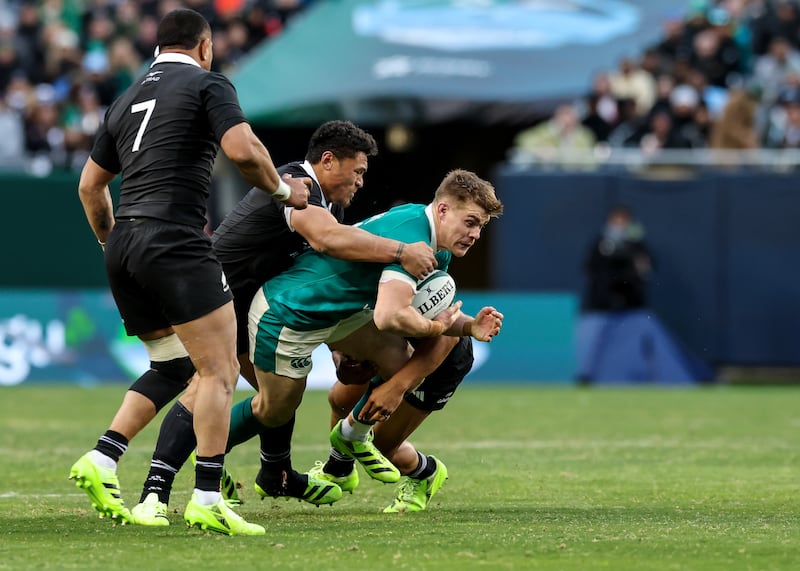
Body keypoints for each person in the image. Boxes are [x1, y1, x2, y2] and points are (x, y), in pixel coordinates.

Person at [70, 8, 312, 536]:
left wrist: (113, 243)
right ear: (204, 46)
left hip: (125, 242)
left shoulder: (125, 98)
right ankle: (206, 494)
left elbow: (90, 187)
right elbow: (244, 150)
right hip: (175, 240)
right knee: (220, 371)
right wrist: (283, 191)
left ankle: (103, 458)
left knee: (173, 366)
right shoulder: (208, 83)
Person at [128, 120, 439, 525]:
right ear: (327, 161)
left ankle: (275, 474)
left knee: (279, 393)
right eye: (358, 170)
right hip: (215, 297)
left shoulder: (332, 204)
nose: (362, 181)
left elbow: (316, 278)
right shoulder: (295, 185)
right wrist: (402, 251)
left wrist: (338, 346)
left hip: (247, 303)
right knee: (206, 388)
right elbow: (329, 240)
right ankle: (154, 493)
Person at [244, 169, 503, 514]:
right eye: (471, 222)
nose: (475, 235)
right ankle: (340, 468)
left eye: (480, 227)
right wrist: (341, 352)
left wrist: (397, 386)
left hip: (439, 358)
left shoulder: (430, 248)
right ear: (442, 210)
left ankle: (426, 473)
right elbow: (356, 301)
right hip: (399, 340)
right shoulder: (413, 239)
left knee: (383, 443)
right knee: (340, 398)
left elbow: (442, 342)